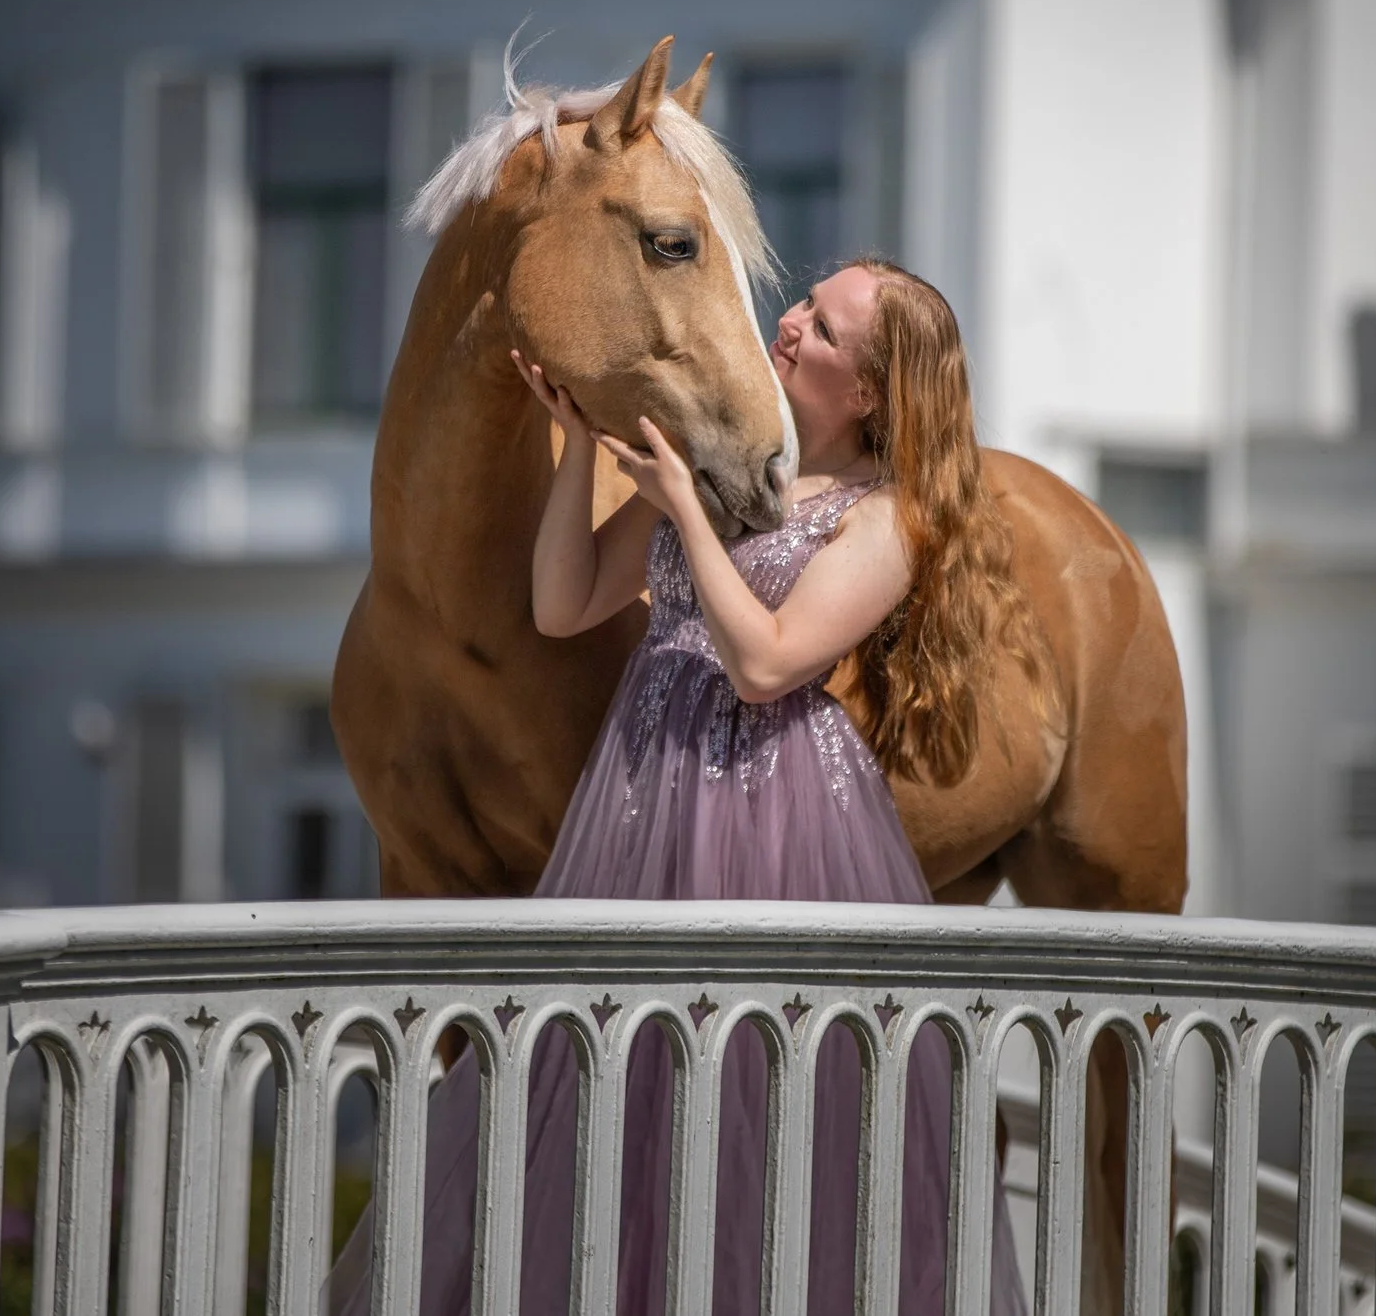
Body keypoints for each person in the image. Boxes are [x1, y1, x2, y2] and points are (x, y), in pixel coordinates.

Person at [328, 259, 1038, 1316]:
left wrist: (687, 517)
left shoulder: (882, 519)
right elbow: (562, 602)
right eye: (803, 304)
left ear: (876, 391)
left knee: (758, 1078)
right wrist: (576, 452)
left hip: (774, 805)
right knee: (610, 1062)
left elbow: (766, 661)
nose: (789, 323)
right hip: (645, 786)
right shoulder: (716, 465)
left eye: (827, 331)